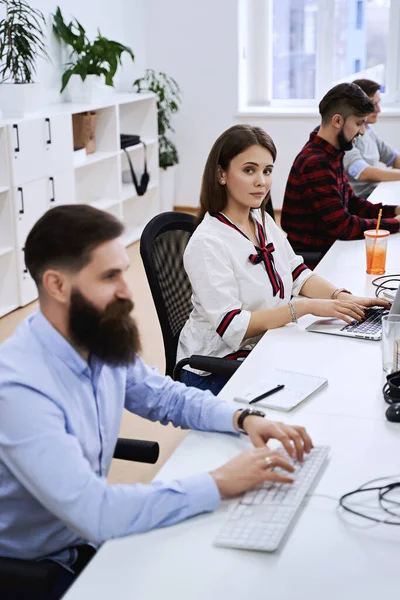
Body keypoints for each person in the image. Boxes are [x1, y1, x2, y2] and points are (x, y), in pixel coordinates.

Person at [0, 205, 314, 600]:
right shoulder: (19, 388)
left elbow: (164, 396)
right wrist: (219, 482)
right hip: (38, 570)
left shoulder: (94, 336)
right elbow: (95, 513)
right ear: (57, 285)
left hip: (88, 540)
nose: (127, 292)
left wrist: (242, 417)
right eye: (109, 277)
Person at [177, 124, 389, 393]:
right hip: (215, 368)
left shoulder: (261, 219)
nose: (261, 182)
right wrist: (305, 308)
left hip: (265, 346)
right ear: (221, 174)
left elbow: (297, 273)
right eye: (249, 170)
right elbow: (233, 326)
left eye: (267, 171)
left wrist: (341, 297)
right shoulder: (208, 242)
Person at [281, 83, 400, 262]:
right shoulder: (316, 163)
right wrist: (395, 224)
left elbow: (351, 203)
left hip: (331, 249)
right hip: (316, 261)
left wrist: (394, 211)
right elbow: (343, 226)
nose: (361, 132)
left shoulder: (332, 154)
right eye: (359, 123)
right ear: (337, 121)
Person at [343, 78, 400, 198]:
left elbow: (393, 158)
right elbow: (362, 173)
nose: (378, 110)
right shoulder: (345, 135)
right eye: (373, 104)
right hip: (362, 201)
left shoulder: (368, 130)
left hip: (375, 194)